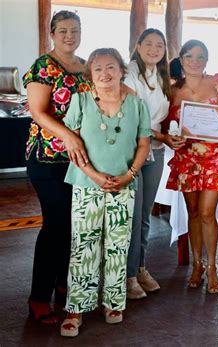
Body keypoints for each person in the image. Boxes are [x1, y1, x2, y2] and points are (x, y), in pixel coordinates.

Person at [59, 48, 151, 337]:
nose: (105, 74)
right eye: (97, 69)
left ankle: (113, 302)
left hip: (125, 185)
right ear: (90, 75)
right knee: (84, 247)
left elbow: (144, 144)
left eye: (111, 67)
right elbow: (71, 144)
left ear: (122, 70)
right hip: (87, 184)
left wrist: (128, 175)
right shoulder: (80, 101)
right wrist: (95, 176)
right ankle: (75, 308)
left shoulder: (137, 105)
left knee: (117, 246)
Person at [22, 10, 91, 324]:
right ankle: (39, 297)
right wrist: (68, 136)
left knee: (74, 224)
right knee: (56, 224)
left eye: (75, 30)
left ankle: (64, 283)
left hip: (79, 160)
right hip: (46, 158)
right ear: (52, 32)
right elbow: (37, 112)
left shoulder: (86, 65)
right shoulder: (43, 66)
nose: (69, 36)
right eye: (63, 30)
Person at [163, 40, 218, 294]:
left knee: (208, 213)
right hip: (187, 157)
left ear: (207, 60)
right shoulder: (173, 90)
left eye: (200, 56)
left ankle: (213, 267)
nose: (195, 61)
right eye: (189, 56)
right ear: (181, 60)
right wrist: (172, 138)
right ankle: (196, 264)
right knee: (193, 212)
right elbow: (166, 126)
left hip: (215, 157)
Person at [124, 28, 184, 299]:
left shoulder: (162, 77)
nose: (154, 49)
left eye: (159, 45)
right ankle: (127, 275)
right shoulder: (129, 73)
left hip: (156, 150)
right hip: (133, 150)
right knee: (132, 217)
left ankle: (141, 267)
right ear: (138, 46)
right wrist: (162, 135)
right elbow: (132, 119)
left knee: (145, 215)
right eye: (148, 43)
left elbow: (164, 117)